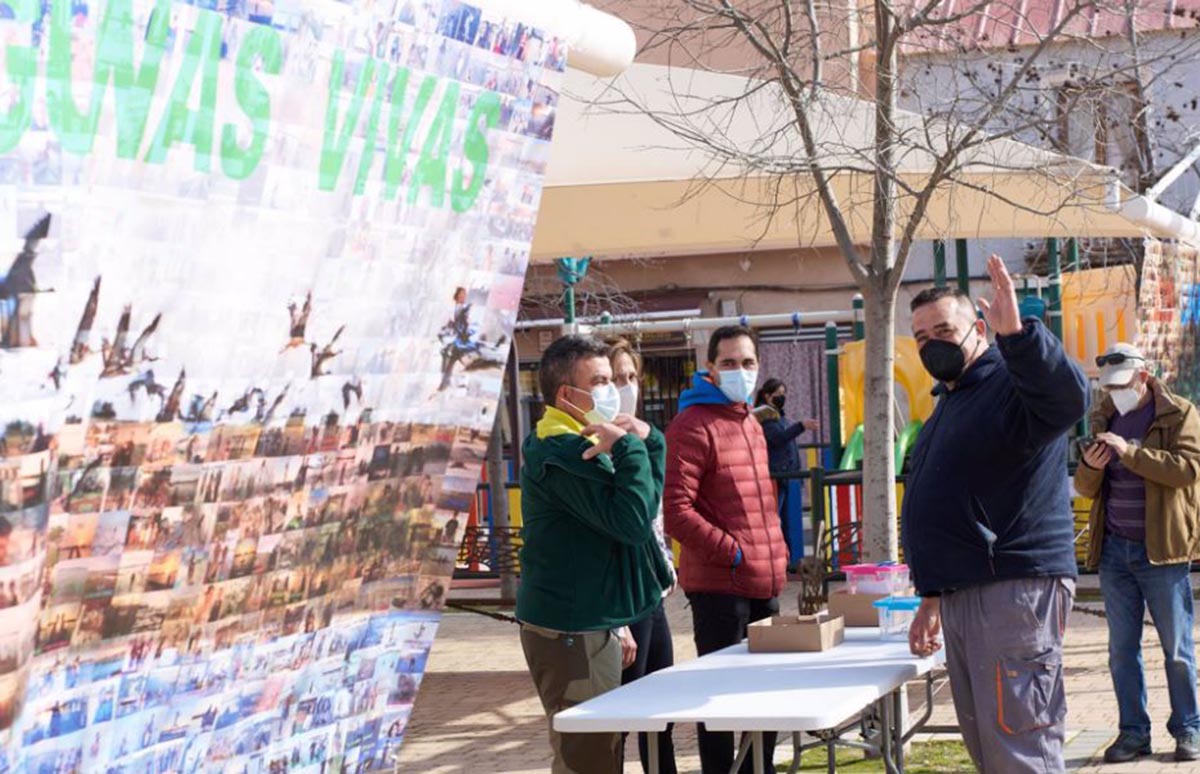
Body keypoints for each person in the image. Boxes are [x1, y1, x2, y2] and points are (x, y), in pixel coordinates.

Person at [904, 256, 1088, 773]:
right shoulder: (953, 400)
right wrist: (931, 599)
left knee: (1021, 744)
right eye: (920, 337)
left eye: (944, 329)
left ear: (979, 329)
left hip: (1013, 588)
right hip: (965, 591)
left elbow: (1068, 400)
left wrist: (1020, 337)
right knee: (991, 748)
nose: (931, 344)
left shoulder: (1010, 381)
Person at [516, 335, 674, 774]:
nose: (613, 391)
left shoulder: (582, 441)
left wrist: (649, 443)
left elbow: (644, 505)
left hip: (593, 623)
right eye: (601, 381)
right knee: (589, 760)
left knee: (600, 752)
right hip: (572, 630)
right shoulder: (564, 450)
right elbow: (631, 522)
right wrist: (629, 448)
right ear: (568, 395)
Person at [664, 325, 787, 774]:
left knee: (765, 691)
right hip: (720, 586)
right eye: (730, 363)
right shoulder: (692, 424)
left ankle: (760, 768)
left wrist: (775, 546)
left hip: (764, 580)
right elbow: (677, 511)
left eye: (748, 363)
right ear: (710, 369)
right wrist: (733, 551)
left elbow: (758, 500)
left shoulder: (750, 423)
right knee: (717, 697)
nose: (740, 371)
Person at [1074, 342, 1200, 763]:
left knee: (1177, 649)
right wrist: (1091, 467)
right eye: (1108, 387)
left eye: (1122, 384)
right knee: (1120, 650)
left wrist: (1132, 453)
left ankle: (1189, 730)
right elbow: (1086, 490)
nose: (1114, 393)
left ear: (1143, 376)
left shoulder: (1178, 412)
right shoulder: (1102, 415)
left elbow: (1188, 471)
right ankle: (1133, 734)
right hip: (1113, 550)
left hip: (1162, 550)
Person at [606, 337, 678, 774]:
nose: (625, 386)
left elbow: (653, 514)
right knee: (620, 721)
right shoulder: (595, 447)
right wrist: (616, 621)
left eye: (631, 377)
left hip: (652, 594)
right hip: (620, 601)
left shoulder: (644, 439)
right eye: (615, 379)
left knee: (660, 713)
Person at [753, 379, 819, 566]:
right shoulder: (764, 417)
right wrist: (801, 426)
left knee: (787, 522)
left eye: (784, 392)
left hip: (788, 476)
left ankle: (787, 560)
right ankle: (777, 560)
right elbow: (778, 439)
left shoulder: (779, 417)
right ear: (767, 395)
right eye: (778, 393)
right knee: (776, 521)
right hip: (776, 476)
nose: (782, 397)